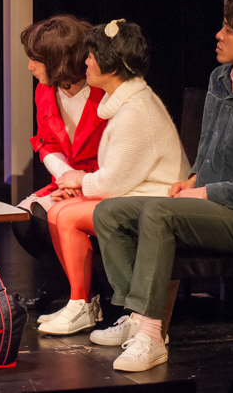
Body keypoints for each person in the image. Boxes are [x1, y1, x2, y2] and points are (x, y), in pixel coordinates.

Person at [91, 0, 233, 372]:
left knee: (158, 213)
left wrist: (206, 192)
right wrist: (192, 179)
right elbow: (209, 145)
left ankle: (152, 336)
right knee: (109, 211)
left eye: (229, 30)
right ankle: (137, 317)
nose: (218, 35)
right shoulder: (219, 79)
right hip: (205, 203)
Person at [36, 19, 190, 336]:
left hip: (156, 199)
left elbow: (112, 184)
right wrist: (79, 185)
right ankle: (83, 302)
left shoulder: (135, 110)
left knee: (65, 215)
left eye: (92, 56)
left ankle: (118, 310)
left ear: (111, 65)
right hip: (135, 193)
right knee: (58, 209)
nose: (86, 62)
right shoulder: (124, 102)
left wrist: (80, 182)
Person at [12, 15, 108, 312]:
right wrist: (66, 176)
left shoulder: (104, 91)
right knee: (24, 220)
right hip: (69, 180)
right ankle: (66, 282)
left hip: (104, 181)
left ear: (58, 61)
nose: (30, 67)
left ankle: (93, 291)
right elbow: (47, 142)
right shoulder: (46, 90)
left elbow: (119, 153)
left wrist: (82, 183)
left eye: (36, 60)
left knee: (54, 216)